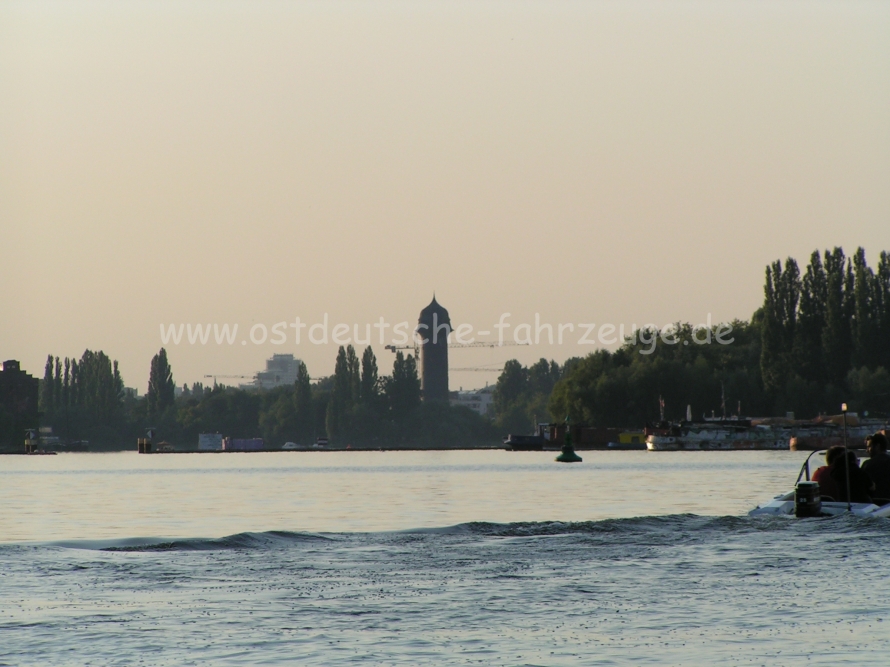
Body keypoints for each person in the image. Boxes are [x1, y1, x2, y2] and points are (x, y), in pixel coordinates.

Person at [862, 433, 890, 502]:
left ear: (877, 446)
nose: (867, 450)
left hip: (874, 504)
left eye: (869, 447)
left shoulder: (867, 465)